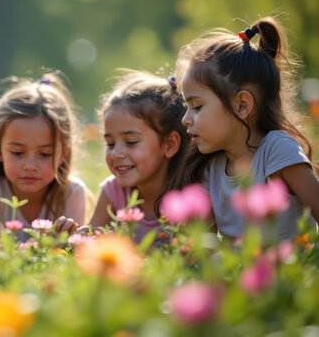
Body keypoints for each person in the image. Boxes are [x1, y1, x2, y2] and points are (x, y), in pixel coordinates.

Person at [174, 16, 319, 240]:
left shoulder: (277, 150)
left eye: (197, 106)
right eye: (187, 106)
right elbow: (205, 246)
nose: (185, 119)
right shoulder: (211, 167)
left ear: (242, 105)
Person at [84, 70, 189, 242]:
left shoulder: (187, 197)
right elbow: (89, 241)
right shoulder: (113, 192)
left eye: (131, 142)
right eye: (110, 144)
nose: (116, 154)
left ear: (169, 144)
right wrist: (78, 238)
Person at [0, 72, 87, 241]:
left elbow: (70, 252)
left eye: (45, 154)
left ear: (62, 155)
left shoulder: (71, 194)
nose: (30, 165)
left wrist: (67, 242)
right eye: (17, 153)